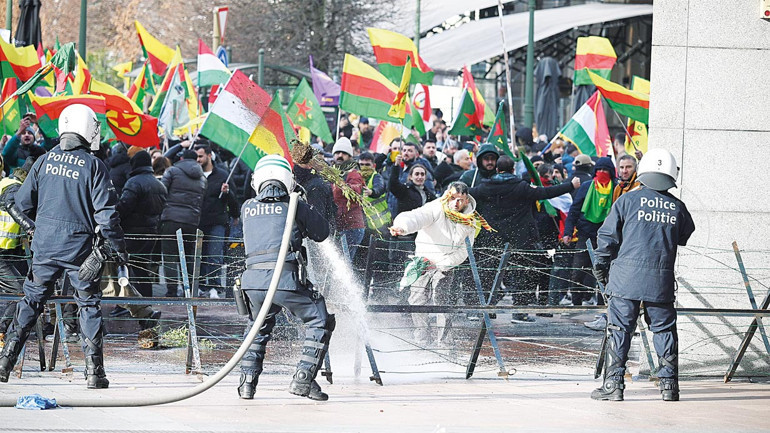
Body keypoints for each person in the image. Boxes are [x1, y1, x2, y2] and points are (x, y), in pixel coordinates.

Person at [0, 104, 128, 388]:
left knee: (30, 302)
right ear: (87, 130)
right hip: (79, 251)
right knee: (88, 306)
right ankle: (95, 373)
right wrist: (118, 249)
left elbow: (20, 204)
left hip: (45, 247)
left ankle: (5, 363)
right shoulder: (94, 166)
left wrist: (36, 228)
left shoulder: (44, 160)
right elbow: (107, 216)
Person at [591, 149, 694, 402]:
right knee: (665, 330)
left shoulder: (626, 201)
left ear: (643, 171)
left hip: (625, 279)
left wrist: (601, 268)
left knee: (619, 329)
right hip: (660, 281)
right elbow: (684, 235)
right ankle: (669, 387)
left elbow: (606, 240)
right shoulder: (677, 207)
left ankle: (613, 386)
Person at [237, 155, 332, 401]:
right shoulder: (294, 204)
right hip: (286, 280)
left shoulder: (247, 206)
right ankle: (303, 379)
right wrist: (304, 204)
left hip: (253, 284)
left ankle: (247, 384)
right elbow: (322, 232)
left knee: (257, 328)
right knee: (319, 320)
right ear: (287, 180)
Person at [470, 156, 580, 322]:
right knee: (522, 275)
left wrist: (453, 190)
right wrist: (570, 185)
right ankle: (519, 311)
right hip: (520, 238)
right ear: (513, 170)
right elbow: (546, 192)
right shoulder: (521, 187)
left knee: (490, 274)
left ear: (498, 170)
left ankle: (487, 309)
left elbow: (469, 193)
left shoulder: (485, 186)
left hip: (492, 237)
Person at [389, 182, 492, 343]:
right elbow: (415, 217)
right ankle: (421, 337)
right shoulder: (435, 207)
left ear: (466, 201)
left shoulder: (469, 220)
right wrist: (401, 227)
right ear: (446, 195)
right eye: (452, 198)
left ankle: (444, 342)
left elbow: (463, 251)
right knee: (417, 300)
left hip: (446, 264)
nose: (455, 203)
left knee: (441, 301)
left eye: (460, 199)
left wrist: (441, 265)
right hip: (423, 260)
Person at [562, 157, 616, 307]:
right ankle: (576, 303)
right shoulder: (587, 187)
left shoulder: (616, 188)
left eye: (605, 170)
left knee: (603, 273)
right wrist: (568, 231)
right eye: (599, 170)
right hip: (585, 236)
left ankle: (601, 305)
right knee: (577, 272)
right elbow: (574, 211)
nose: (602, 172)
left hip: (606, 238)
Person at [159, 149, 207, 297]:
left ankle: (172, 291)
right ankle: (190, 290)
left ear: (182, 158)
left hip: (171, 219)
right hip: (191, 221)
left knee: (170, 257)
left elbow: (162, 191)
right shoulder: (202, 178)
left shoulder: (172, 171)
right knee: (189, 257)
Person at [195, 144, 239, 298]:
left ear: (209, 155)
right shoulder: (194, 174)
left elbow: (234, 199)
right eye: (196, 157)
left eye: (200, 156)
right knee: (198, 255)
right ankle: (200, 286)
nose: (198, 160)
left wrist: (227, 194)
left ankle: (214, 286)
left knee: (214, 255)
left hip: (216, 221)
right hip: (198, 222)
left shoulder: (222, 175)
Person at [0, 159, 35, 341]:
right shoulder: (14, 187)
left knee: (21, 290)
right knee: (20, 292)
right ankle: (1, 329)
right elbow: (12, 207)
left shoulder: (11, 184)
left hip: (10, 250)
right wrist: (31, 227)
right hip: (2, 251)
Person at [330, 137, 365, 257]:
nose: (340, 155)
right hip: (340, 225)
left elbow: (355, 191)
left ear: (350, 156)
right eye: (337, 153)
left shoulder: (353, 174)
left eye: (344, 153)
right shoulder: (331, 172)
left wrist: (339, 183)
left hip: (351, 226)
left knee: (344, 261)